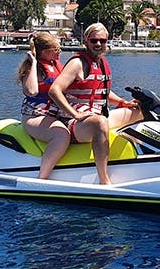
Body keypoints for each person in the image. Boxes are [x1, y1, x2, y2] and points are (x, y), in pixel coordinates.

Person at [48, 22, 142, 185]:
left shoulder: (101, 62)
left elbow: (102, 91)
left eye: (102, 41)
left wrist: (123, 103)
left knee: (140, 111)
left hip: (96, 115)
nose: (98, 44)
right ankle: (104, 179)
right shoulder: (77, 63)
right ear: (86, 41)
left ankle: (142, 158)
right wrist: (75, 114)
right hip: (74, 124)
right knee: (100, 122)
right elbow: (54, 90)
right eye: (94, 40)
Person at [17, 32, 70, 179]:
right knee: (61, 135)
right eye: (56, 49)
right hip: (34, 117)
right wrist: (34, 63)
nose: (60, 52)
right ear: (45, 52)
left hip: (56, 115)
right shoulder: (31, 69)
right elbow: (32, 91)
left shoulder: (56, 65)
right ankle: (42, 178)